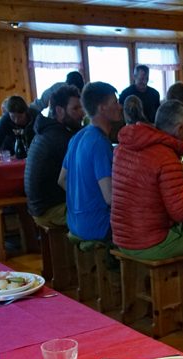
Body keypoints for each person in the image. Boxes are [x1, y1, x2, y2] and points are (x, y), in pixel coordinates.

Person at [111, 100, 183, 323]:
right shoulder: (165, 156)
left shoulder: (124, 147)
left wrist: (177, 169)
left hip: (121, 236)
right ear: (179, 130)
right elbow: (182, 212)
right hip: (150, 241)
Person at [59, 82, 122, 243]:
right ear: (102, 108)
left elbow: (62, 179)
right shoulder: (100, 142)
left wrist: (85, 200)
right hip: (98, 225)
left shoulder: (77, 137)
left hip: (74, 223)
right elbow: (110, 198)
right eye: (115, 102)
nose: (120, 107)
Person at [25, 84, 84, 228]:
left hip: (38, 208)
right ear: (59, 111)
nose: (82, 113)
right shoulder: (61, 137)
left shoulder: (46, 131)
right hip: (51, 211)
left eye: (81, 107)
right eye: (75, 109)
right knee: (106, 214)